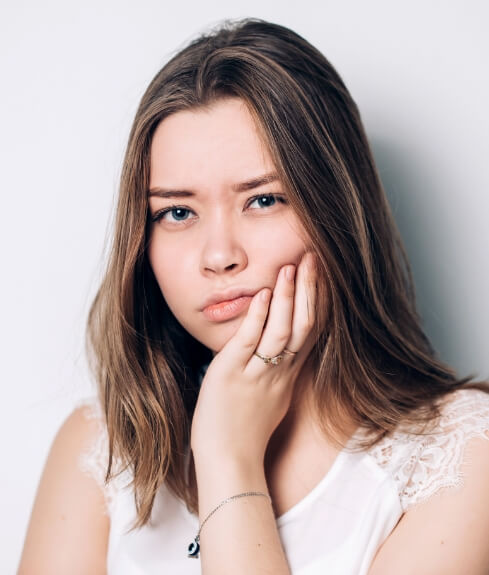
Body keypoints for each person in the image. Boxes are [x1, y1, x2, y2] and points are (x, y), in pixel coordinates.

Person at [18, 17, 489, 575]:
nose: (218, 256)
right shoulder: (99, 449)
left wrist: (228, 457)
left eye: (262, 201)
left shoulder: (464, 456)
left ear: (337, 210)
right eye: (177, 212)